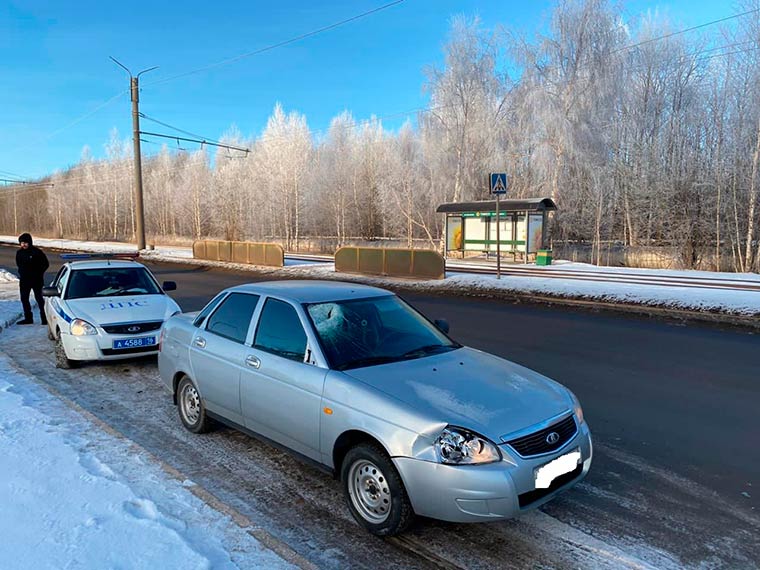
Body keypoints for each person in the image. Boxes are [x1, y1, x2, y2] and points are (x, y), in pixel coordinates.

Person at [16, 233, 49, 325]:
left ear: (29, 242)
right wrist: (22, 273)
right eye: (22, 243)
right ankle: (28, 318)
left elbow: (46, 264)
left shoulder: (37, 252)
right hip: (24, 280)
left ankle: (44, 318)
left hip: (36, 280)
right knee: (24, 299)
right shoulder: (19, 253)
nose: (23, 245)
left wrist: (38, 273)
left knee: (39, 299)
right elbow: (19, 264)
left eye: (25, 243)